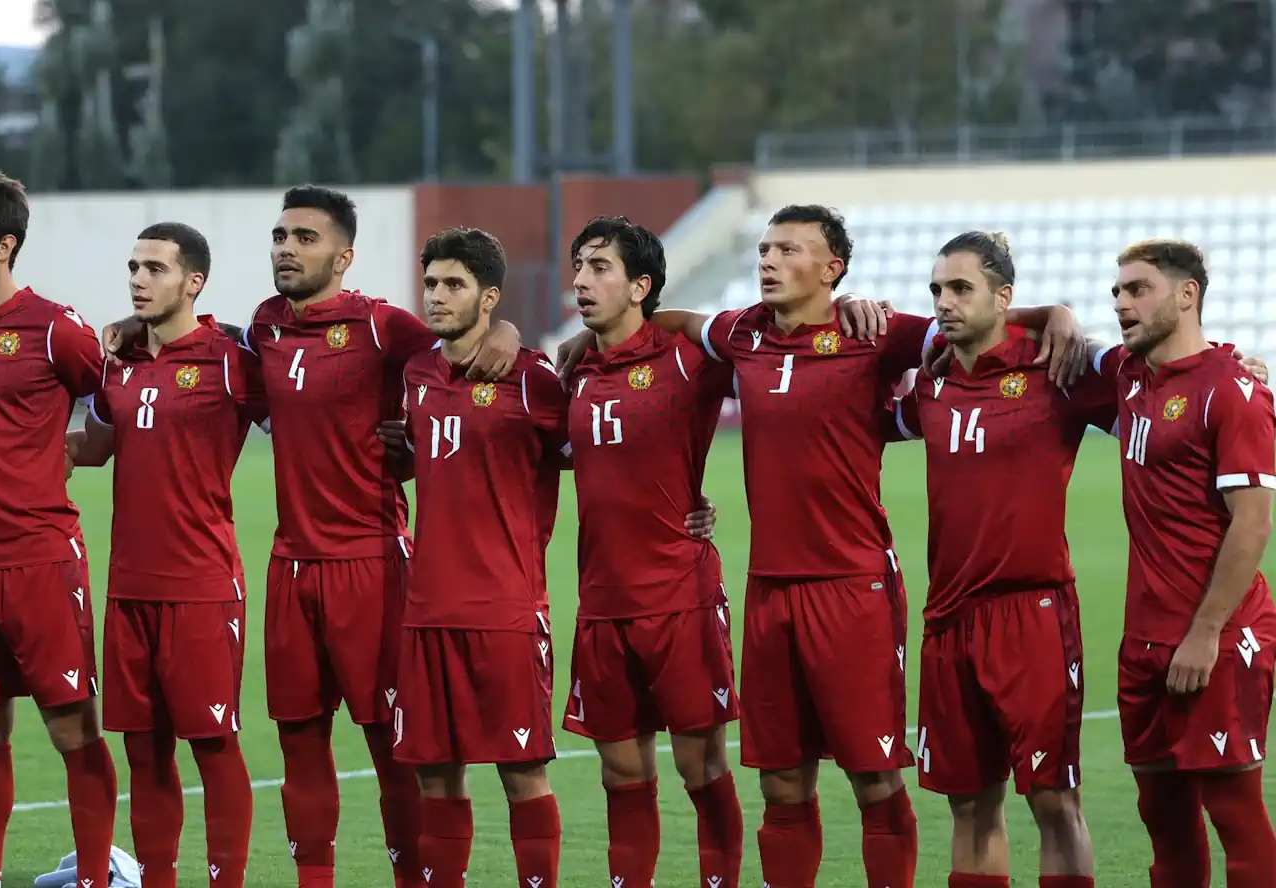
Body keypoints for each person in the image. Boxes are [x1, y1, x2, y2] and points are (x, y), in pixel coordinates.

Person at [592, 204, 1083, 888]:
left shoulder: (876, 336)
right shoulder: (744, 333)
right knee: (782, 786)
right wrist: (583, 346)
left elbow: (976, 322)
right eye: (764, 247)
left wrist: (1050, 313)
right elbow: (675, 323)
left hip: (853, 590)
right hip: (769, 591)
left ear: (832, 269)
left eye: (788, 249)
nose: (766, 259)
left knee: (875, 780)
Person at [239, 187, 517, 888]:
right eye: (280, 235)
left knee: (395, 747)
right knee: (298, 741)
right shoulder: (265, 326)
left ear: (343, 255)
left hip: (372, 561)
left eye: (305, 237)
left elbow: (464, 347)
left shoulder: (381, 327)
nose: (285, 248)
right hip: (289, 565)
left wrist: (506, 333)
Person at [890, 232, 1105, 888]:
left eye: (960, 289)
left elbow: (1156, 391)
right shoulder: (932, 381)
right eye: (936, 290)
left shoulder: (1057, 369)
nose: (943, 303)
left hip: (1032, 614)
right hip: (948, 621)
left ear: (1004, 298)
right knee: (969, 803)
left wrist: (1238, 367)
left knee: (1053, 802)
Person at [0, 171, 118, 888]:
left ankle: (97, 875)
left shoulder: (54, 328)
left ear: (4, 245)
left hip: (40, 558)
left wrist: (84, 448)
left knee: (73, 729)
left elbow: (115, 395)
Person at [68, 222, 267, 888]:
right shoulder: (119, 360)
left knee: (213, 745)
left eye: (155, 268)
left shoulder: (234, 357)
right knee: (143, 750)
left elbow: (299, 401)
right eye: (133, 267)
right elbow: (96, 444)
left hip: (203, 584)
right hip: (129, 585)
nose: (137, 278)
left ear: (193, 281)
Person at [561, 216, 745, 887]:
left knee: (702, 768)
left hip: (679, 597)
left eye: (600, 267)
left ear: (641, 285)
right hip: (601, 603)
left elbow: (768, 342)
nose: (581, 279)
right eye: (579, 265)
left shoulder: (686, 359)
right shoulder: (574, 369)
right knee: (621, 775)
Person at [1087, 239, 1276, 886]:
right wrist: (1047, 318)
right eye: (1116, 292)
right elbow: (1053, 331)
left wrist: (1206, 631)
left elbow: (1252, 523)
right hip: (1144, 638)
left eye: (1137, 289)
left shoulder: (1233, 390)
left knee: (1235, 813)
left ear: (1186, 294)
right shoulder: (1128, 375)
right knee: (1161, 815)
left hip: (1215, 638)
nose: (1120, 303)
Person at [393, 227, 566, 887]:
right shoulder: (415, 373)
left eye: (454, 285)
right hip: (427, 608)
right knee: (435, 775)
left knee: (521, 771)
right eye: (432, 283)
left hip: (505, 611)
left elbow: (606, 456)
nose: (436, 297)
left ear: (489, 296)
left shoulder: (534, 382)